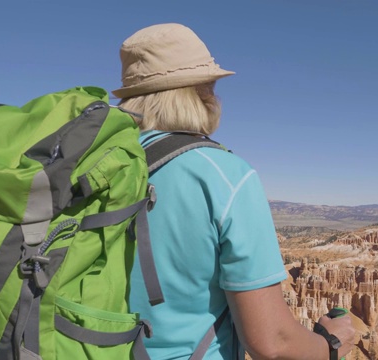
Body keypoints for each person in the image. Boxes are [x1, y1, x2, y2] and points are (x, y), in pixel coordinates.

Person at [112, 23, 355, 360]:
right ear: (201, 93)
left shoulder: (91, 166)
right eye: (210, 87)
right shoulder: (223, 175)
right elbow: (273, 343)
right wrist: (332, 344)